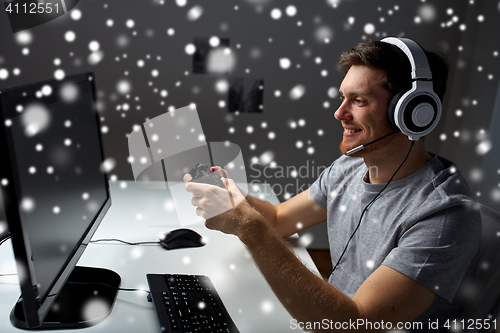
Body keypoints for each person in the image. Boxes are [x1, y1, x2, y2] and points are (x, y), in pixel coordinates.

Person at [184, 39, 481, 332]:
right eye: (342, 98)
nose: (340, 113)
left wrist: (250, 229)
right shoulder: (351, 166)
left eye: (359, 100)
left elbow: (354, 327)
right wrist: (232, 196)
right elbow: (278, 220)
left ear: (413, 113)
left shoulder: (444, 214)